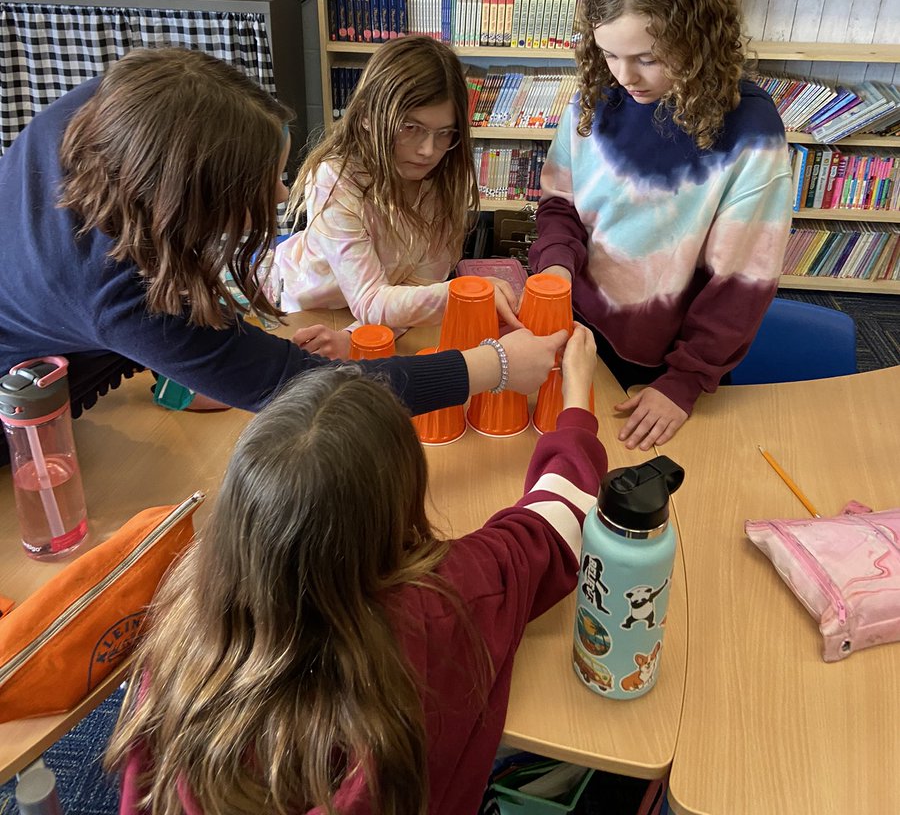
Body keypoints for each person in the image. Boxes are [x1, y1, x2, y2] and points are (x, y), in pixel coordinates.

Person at [106, 324, 606, 815]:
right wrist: (576, 407)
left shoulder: (184, 612)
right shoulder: (433, 609)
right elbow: (554, 525)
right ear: (401, 499)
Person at [0, 48, 566, 464]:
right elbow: (310, 390)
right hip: (20, 413)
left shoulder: (112, 103)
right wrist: (495, 367)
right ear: (191, 199)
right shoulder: (116, 293)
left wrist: (196, 359)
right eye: (260, 182)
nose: (280, 194)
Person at [530, 0, 793, 452]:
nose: (624, 76)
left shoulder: (750, 134)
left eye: (647, 58)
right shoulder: (598, 94)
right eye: (609, 53)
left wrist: (686, 380)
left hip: (671, 366)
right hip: (579, 330)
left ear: (699, 38)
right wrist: (555, 266)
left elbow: (741, 282)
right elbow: (560, 203)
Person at [271, 36, 521, 360]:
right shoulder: (335, 179)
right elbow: (372, 300)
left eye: (444, 133)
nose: (428, 150)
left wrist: (357, 337)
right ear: (366, 115)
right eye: (410, 127)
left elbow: (418, 290)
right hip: (307, 309)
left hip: (374, 314)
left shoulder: (443, 181)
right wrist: (461, 293)